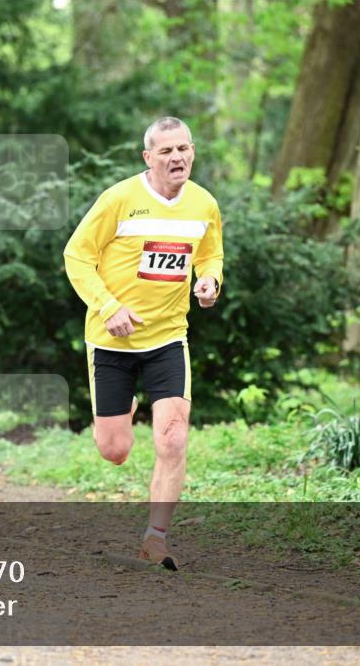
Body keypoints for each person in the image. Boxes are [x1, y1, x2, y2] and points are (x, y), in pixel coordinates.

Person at [63, 117, 223, 570]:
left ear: (193, 151)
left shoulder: (204, 204)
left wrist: (210, 280)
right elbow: (76, 255)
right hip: (112, 340)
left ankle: (156, 538)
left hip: (169, 337)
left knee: (173, 438)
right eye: (166, 151)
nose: (177, 158)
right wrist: (108, 306)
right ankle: (121, 415)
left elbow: (210, 252)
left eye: (184, 149)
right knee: (114, 451)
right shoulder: (119, 199)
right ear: (147, 157)